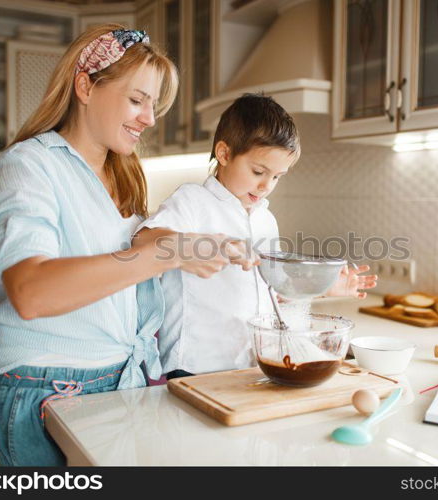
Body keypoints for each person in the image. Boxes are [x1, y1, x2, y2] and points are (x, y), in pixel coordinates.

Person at [0, 25, 254, 466]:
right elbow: (31, 291)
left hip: (119, 382)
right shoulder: (29, 165)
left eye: (154, 105)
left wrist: (184, 244)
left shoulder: (121, 176)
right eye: (137, 100)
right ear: (85, 85)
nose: (150, 119)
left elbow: (123, 258)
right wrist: (166, 253)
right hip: (49, 386)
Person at [136, 94, 377, 380]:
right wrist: (204, 246)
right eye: (258, 171)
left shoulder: (265, 219)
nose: (266, 186)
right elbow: (144, 241)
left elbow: (271, 290)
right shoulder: (192, 201)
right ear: (224, 154)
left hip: (251, 362)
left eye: (277, 177)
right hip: (196, 364)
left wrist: (322, 287)